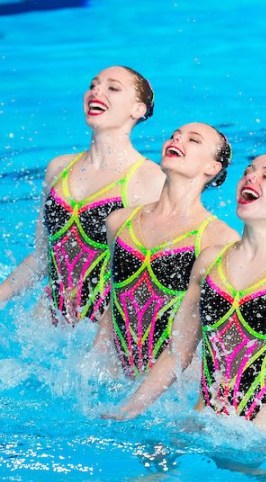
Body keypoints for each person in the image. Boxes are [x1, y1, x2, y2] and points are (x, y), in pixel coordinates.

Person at [104, 153, 266, 441]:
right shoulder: (210, 262)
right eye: (249, 171)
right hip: (202, 424)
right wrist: (132, 406)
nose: (251, 177)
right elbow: (179, 351)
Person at [0, 66, 166, 323]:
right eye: (93, 85)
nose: (97, 91)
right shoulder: (59, 168)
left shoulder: (148, 179)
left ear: (137, 109)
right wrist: (2, 295)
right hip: (47, 328)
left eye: (113, 88)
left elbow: (154, 281)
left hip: (100, 339)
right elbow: (43, 256)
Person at [92, 122, 240, 376]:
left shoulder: (218, 238)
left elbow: (221, 332)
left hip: (179, 385)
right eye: (174, 135)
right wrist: (94, 361)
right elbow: (116, 300)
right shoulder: (120, 221)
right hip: (119, 375)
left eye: (193, 140)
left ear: (212, 167)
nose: (177, 141)